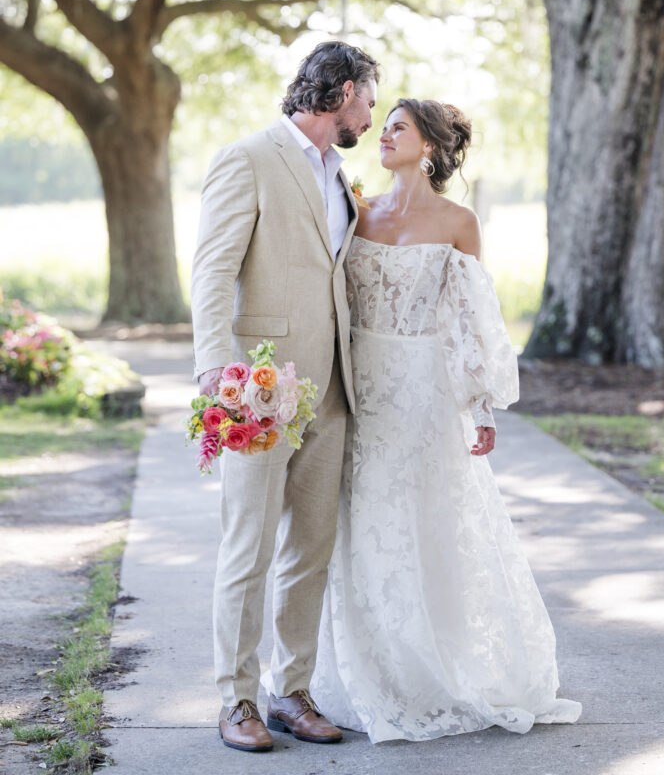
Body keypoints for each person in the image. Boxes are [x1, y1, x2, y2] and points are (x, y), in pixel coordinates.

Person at [310, 98, 582, 742]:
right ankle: (372, 667)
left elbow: (468, 319)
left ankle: (440, 666)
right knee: (365, 519)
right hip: (362, 384)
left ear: (429, 145)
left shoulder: (460, 222)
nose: (383, 135)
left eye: (397, 127)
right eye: (384, 126)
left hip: (426, 390)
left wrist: (478, 403)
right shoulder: (357, 210)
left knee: (431, 518)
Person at [190, 41, 378, 752]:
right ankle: (233, 698)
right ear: (344, 91)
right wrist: (216, 369)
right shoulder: (249, 157)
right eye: (367, 99)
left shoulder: (338, 173)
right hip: (260, 383)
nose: (370, 114)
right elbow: (212, 270)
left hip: (331, 389)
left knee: (311, 548)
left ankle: (290, 692)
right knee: (248, 546)